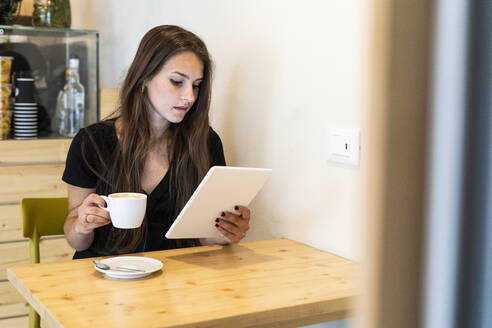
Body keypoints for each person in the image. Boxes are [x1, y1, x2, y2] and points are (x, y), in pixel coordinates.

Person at [62, 25, 251, 259]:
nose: (189, 96)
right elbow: (76, 240)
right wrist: (82, 224)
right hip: (105, 276)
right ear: (143, 78)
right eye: (176, 81)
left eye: (196, 85)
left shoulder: (205, 142)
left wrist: (226, 232)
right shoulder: (91, 142)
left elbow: (204, 236)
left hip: (175, 278)